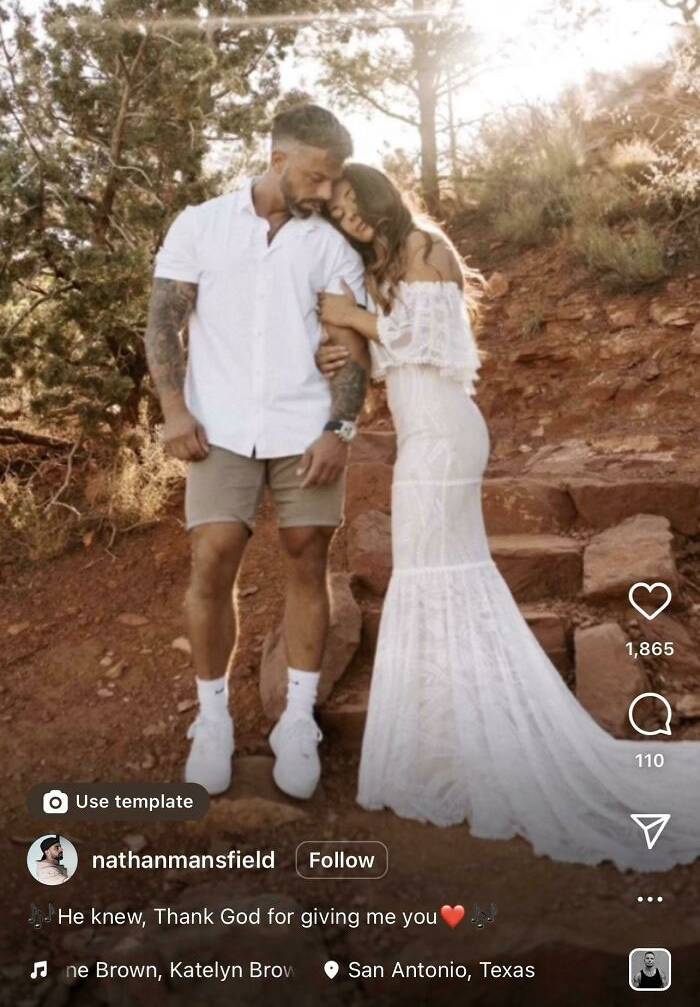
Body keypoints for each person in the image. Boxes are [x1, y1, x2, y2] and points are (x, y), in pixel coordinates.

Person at [317, 163, 700, 871]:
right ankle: (450, 743)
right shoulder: (386, 270)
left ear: (377, 194)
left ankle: (469, 748)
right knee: (432, 576)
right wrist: (346, 339)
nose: (351, 218)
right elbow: (390, 359)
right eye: (338, 213)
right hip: (424, 431)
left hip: (442, 437)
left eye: (353, 203)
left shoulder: (427, 247)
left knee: (436, 576)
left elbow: (424, 345)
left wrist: (351, 317)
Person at [146, 105, 370, 799]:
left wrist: (341, 428)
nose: (326, 193)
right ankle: (211, 722)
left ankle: (296, 720)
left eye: (333, 181)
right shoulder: (200, 225)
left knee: (309, 553)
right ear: (277, 161)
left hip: (304, 426)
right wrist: (174, 411)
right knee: (212, 558)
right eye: (315, 176)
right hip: (218, 427)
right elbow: (164, 321)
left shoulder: (329, 244)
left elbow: (350, 344)